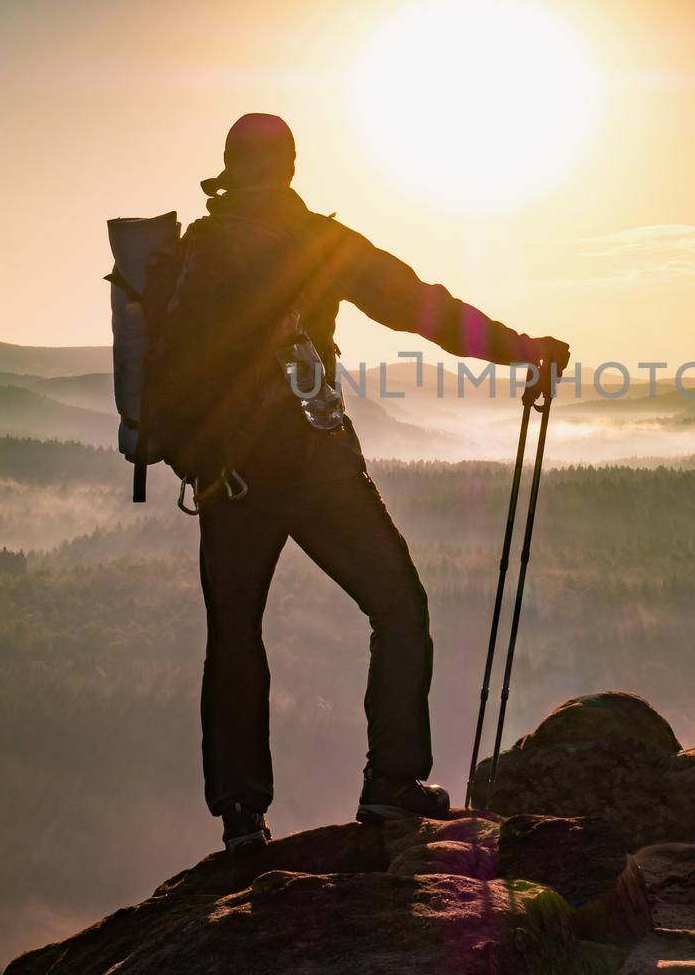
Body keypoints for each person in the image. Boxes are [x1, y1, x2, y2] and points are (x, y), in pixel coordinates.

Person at [182, 112, 569, 853]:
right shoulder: (320, 243)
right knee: (397, 605)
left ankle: (241, 814)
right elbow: (422, 308)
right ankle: (391, 786)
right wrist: (521, 349)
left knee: (234, 633)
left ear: (229, 168)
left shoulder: (198, 251)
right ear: (291, 165)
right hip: (310, 461)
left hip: (224, 476)